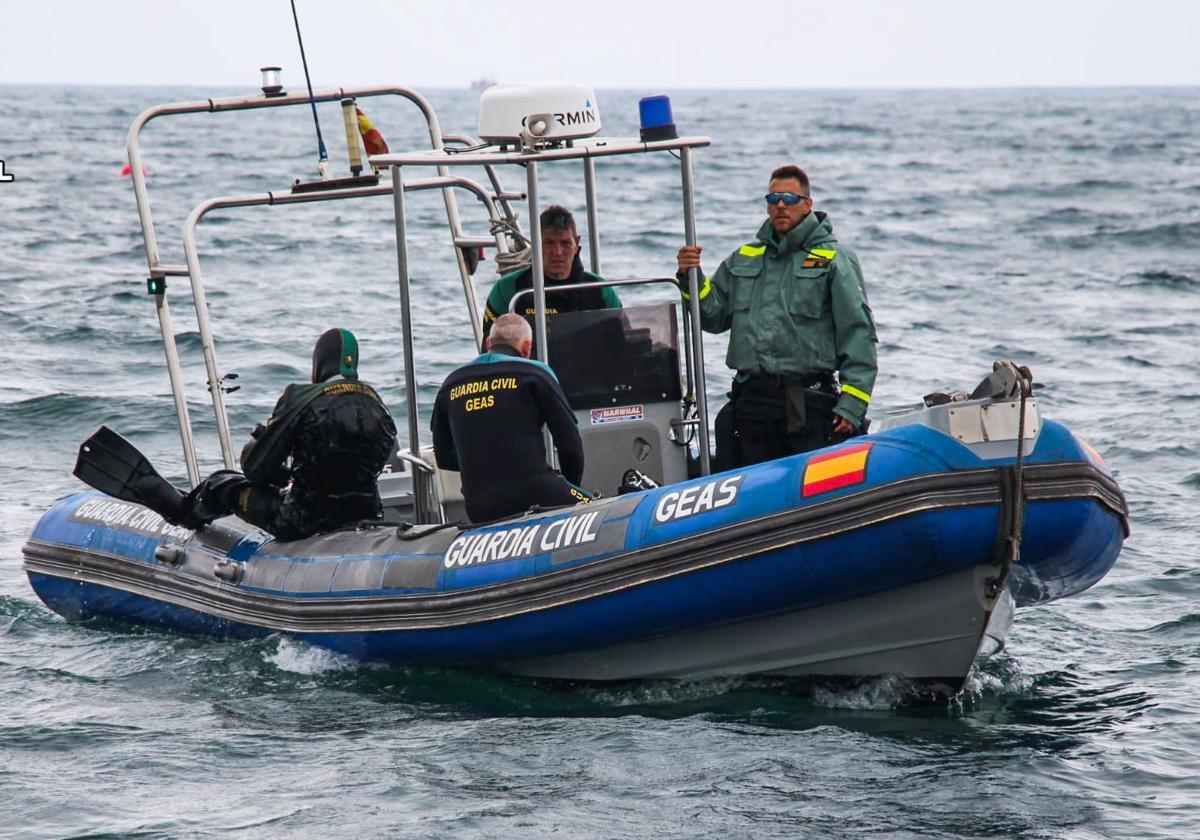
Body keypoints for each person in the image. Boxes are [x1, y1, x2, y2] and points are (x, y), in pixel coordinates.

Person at [676, 164, 878, 469]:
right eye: (773, 199)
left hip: (807, 402)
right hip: (752, 402)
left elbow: (858, 332)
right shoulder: (744, 257)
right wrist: (690, 276)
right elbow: (712, 316)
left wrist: (852, 404)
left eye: (789, 198)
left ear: (808, 204)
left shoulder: (834, 259)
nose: (781, 205)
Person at [182, 328, 397, 540]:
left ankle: (184, 520)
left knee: (221, 483)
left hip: (302, 520)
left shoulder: (300, 397)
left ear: (319, 363)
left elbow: (255, 468)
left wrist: (259, 447)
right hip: (366, 514)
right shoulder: (377, 404)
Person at [431, 313, 591, 523]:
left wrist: (488, 468)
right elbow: (570, 445)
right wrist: (570, 485)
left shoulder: (450, 384)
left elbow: (443, 456)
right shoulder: (535, 373)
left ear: (488, 343)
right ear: (527, 348)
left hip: (479, 506)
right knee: (598, 507)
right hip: (537, 492)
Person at [481, 205, 621, 343]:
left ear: (576, 244)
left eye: (565, 243)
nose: (558, 252)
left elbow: (621, 347)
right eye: (549, 243)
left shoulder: (602, 291)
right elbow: (489, 351)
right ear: (536, 243)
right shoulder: (508, 290)